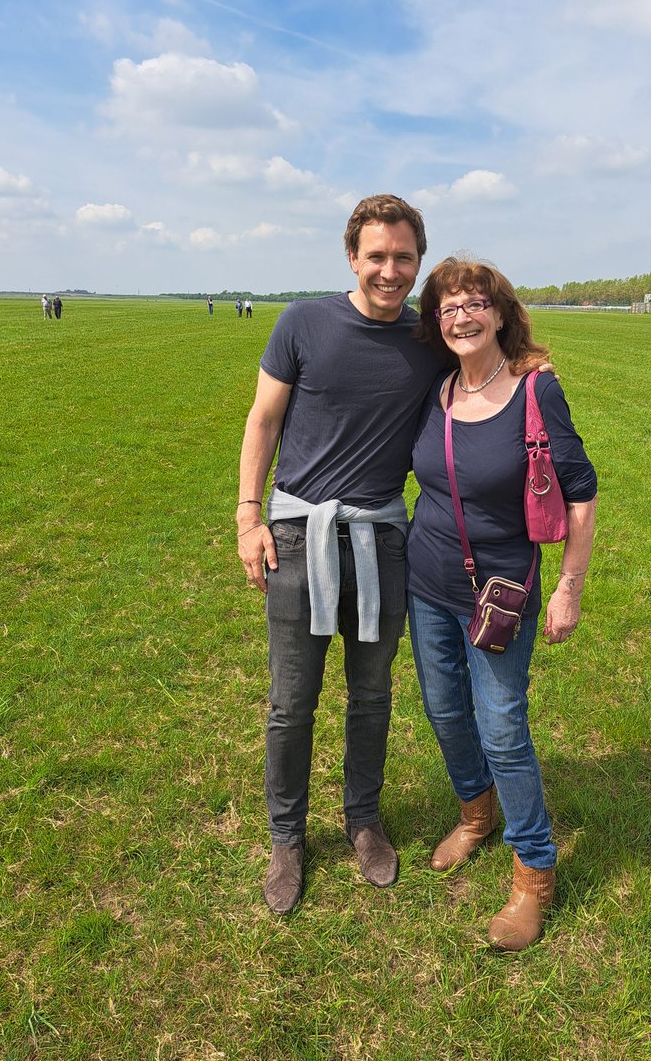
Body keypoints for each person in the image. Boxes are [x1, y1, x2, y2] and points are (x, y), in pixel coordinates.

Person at [236, 194, 444, 915]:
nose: (391, 271)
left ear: (420, 262)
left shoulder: (426, 342)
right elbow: (263, 420)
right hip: (298, 537)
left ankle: (363, 821)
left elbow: (489, 373)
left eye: (404, 258)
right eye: (377, 256)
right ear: (352, 257)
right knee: (292, 703)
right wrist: (247, 517)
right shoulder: (303, 323)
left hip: (383, 541)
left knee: (373, 696)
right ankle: (287, 838)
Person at [406, 257, 597, 951]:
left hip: (501, 596)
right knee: (444, 710)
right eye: (447, 307)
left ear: (500, 312)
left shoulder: (535, 391)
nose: (461, 316)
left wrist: (569, 588)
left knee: (504, 730)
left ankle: (533, 873)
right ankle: (474, 813)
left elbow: (580, 493)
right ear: (436, 322)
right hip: (426, 582)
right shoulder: (437, 390)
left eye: (474, 303)